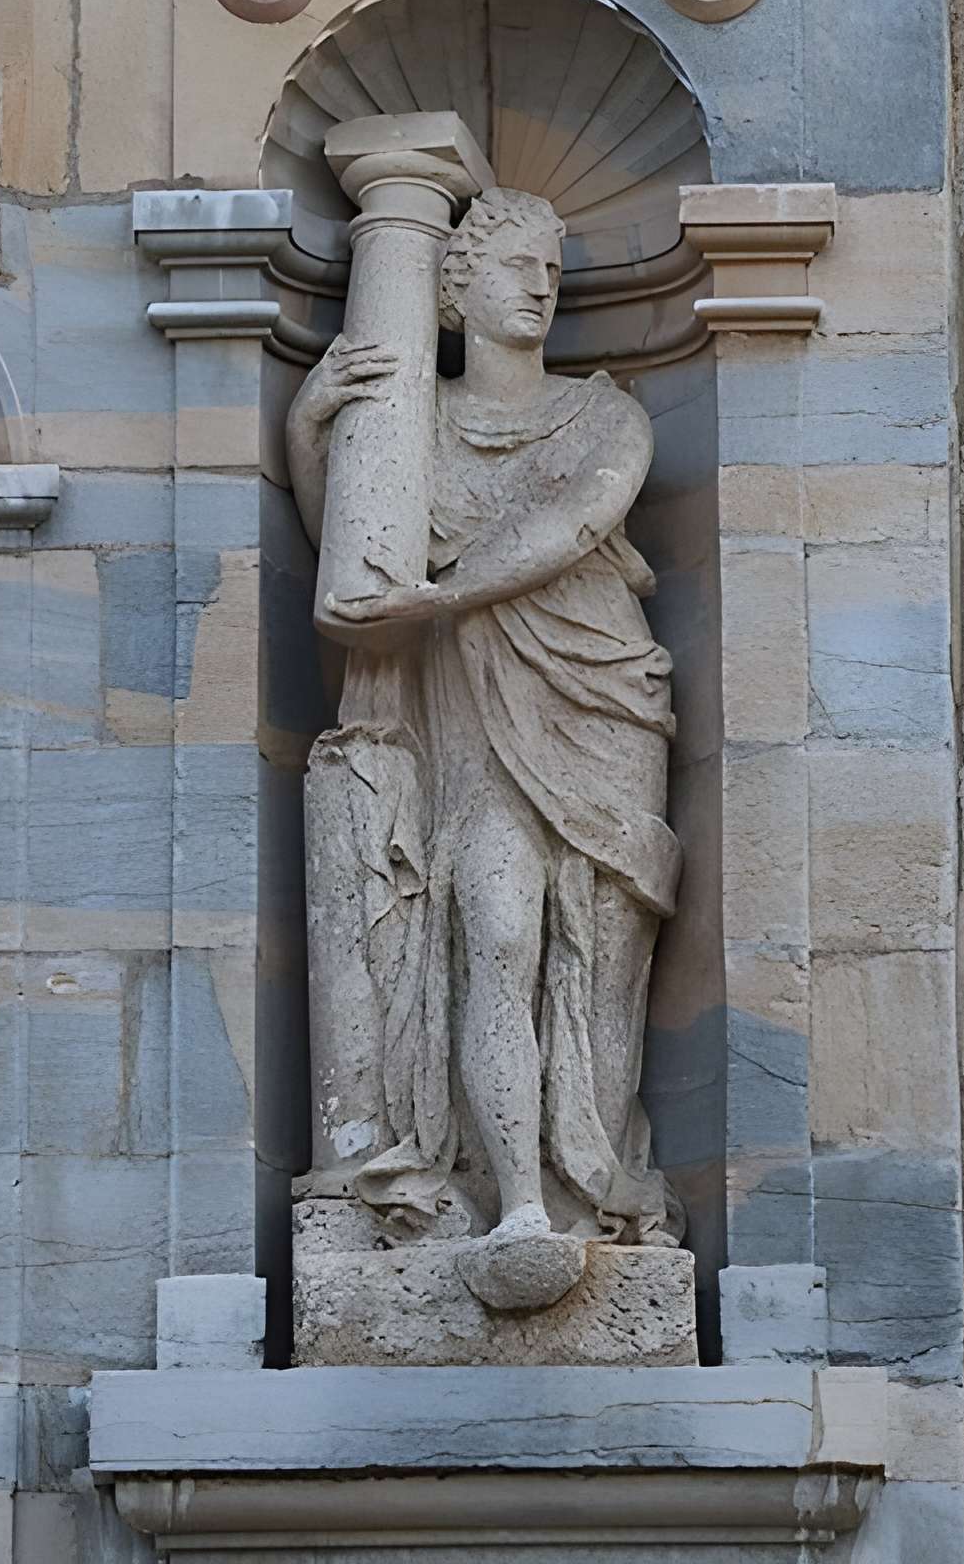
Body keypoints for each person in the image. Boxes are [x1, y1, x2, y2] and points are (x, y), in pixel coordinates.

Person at [287, 187, 682, 1252]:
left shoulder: (608, 414)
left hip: (597, 705)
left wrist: (436, 599)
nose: (543, 287)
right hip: (468, 710)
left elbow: (571, 523)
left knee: (593, 955)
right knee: (494, 930)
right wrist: (312, 428)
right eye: (517, 266)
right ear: (455, 289)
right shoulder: (414, 426)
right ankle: (513, 1205)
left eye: (552, 268)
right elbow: (357, 564)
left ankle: (590, 1190)